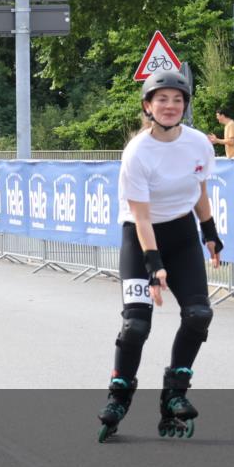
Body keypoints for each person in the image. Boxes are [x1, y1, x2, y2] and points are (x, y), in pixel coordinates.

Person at [97, 70, 223, 443]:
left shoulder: (199, 143)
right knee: (136, 325)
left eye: (177, 100)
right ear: (148, 106)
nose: (170, 107)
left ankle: (174, 393)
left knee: (199, 314)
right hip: (140, 238)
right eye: (162, 100)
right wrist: (154, 265)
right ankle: (118, 397)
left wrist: (210, 232)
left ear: (184, 106)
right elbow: (140, 214)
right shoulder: (137, 152)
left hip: (182, 233)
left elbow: (198, 189)